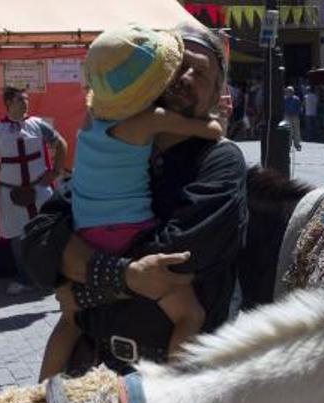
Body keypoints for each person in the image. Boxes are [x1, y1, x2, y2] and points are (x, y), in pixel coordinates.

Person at [21, 25, 248, 377]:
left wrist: (85, 289)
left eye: (200, 72)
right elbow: (39, 240)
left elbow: (177, 257)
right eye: (177, 67)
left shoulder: (220, 161)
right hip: (96, 365)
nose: (185, 77)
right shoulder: (119, 154)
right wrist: (126, 274)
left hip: (173, 373)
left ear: (219, 91)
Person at [0, 87, 68, 295]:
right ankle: (25, 278)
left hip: (39, 190)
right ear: (9, 102)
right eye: (20, 99)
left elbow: (61, 144)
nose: (25, 102)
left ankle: (50, 277)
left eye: (26, 99)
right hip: (11, 194)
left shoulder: (37, 125)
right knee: (18, 239)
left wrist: (55, 171)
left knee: (48, 234)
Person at [284, 86, 303, 151]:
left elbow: (299, 107)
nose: (288, 92)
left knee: (297, 131)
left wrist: (298, 113)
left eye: (290, 91)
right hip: (287, 116)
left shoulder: (296, 99)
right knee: (289, 131)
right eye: (288, 91)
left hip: (295, 116)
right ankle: (288, 145)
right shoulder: (284, 99)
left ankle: (297, 144)